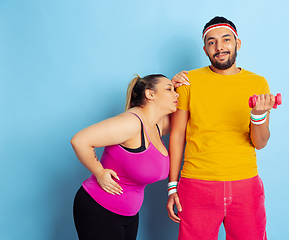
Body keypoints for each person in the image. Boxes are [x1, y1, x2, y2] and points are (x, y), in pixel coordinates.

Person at [166, 16, 276, 240]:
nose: (219, 47)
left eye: (226, 40)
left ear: (237, 43)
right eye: (211, 42)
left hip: (245, 184)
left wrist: (258, 116)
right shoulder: (189, 81)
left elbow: (261, 142)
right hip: (196, 184)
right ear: (205, 50)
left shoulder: (258, 83)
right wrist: (172, 185)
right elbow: (177, 136)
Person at [71, 74, 179, 240]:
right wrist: (99, 172)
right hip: (100, 209)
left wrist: (181, 84)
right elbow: (80, 140)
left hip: (129, 214)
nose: (176, 94)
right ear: (150, 94)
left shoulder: (156, 126)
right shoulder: (132, 123)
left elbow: (186, 118)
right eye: (169, 89)